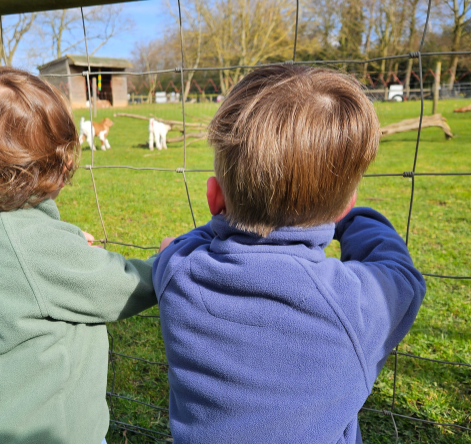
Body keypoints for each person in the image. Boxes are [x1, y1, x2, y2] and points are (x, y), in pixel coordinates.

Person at [153, 65, 426, 444]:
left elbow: (178, 244)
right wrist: (353, 219)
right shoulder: (356, 305)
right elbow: (400, 273)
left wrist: (218, 220)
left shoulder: (178, 272)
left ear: (214, 197)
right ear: (344, 206)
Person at [0, 67, 157, 444]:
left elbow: (24, 268)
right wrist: (169, 262)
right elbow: (119, 288)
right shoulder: (33, 247)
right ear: (48, 169)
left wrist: (64, 243)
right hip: (40, 433)